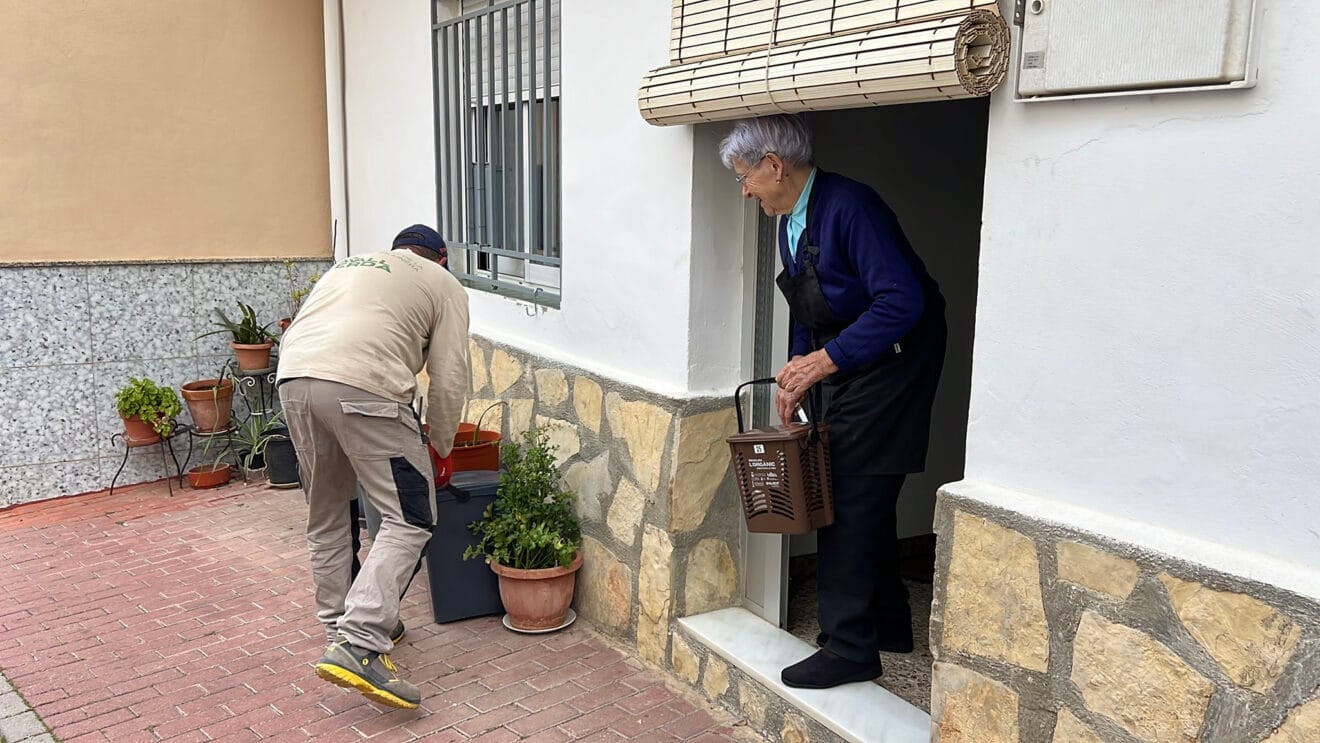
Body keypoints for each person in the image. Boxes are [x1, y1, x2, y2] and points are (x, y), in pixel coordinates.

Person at [720, 115, 947, 689]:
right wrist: (798, 375)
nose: (744, 191)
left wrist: (824, 362)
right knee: (868, 496)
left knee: (846, 494)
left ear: (775, 165)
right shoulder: (786, 221)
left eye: (746, 177)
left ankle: (849, 647)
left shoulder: (852, 207)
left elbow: (904, 301)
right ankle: (890, 624)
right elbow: (806, 308)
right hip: (851, 362)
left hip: (895, 366)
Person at [276, 224, 469, 709]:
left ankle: (341, 626)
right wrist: (442, 447)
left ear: (397, 251)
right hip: (367, 388)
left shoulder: (351, 267)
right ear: (441, 258)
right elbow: (448, 377)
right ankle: (360, 643)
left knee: (329, 514)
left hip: (295, 381)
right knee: (411, 520)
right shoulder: (442, 283)